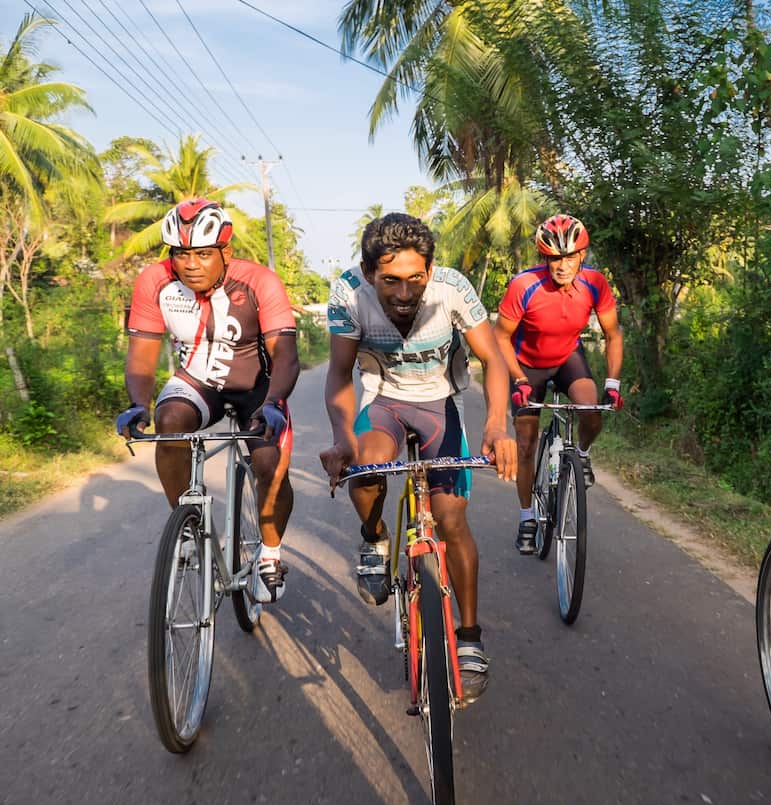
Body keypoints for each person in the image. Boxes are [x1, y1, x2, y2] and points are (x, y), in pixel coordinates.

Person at [319, 212, 517, 701]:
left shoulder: (452, 288)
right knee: (364, 466)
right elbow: (340, 374)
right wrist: (343, 436)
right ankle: (375, 537)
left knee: (451, 521)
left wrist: (496, 426)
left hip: (440, 405)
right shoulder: (349, 294)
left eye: (415, 279)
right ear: (369, 275)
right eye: (390, 281)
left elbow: (493, 359)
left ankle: (468, 640)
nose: (404, 293)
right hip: (384, 402)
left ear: (429, 271)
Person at [117, 198, 298, 603]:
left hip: (258, 386)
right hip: (198, 381)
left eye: (202, 253)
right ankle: (187, 527)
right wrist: (137, 404)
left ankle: (270, 553)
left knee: (269, 463)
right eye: (181, 254)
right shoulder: (154, 282)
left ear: (225, 252)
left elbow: (285, 354)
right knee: (170, 423)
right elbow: (143, 353)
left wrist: (274, 402)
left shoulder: (259, 281)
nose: (191, 264)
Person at [494, 214, 624, 555]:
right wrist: (518, 379)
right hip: (527, 364)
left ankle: (581, 454)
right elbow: (501, 337)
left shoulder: (596, 283)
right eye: (554, 258)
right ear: (544, 258)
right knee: (525, 443)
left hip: (568, 355)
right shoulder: (524, 286)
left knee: (592, 408)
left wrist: (613, 383)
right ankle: (526, 518)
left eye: (569, 257)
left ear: (582, 255)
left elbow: (612, 334)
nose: (562, 265)